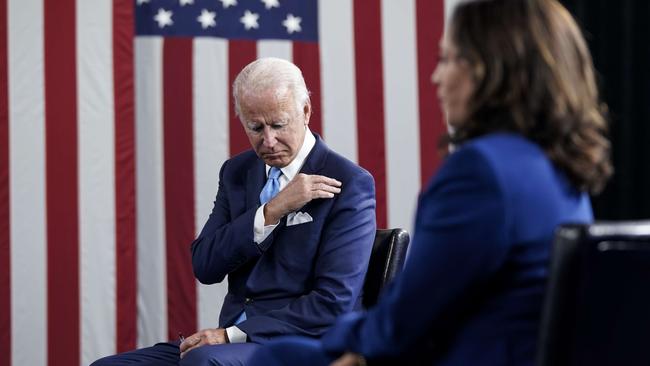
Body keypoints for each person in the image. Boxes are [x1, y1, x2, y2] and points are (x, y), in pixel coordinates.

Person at [248, 0, 612, 365]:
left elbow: (405, 320)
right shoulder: (560, 169)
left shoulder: (482, 171)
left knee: (276, 357)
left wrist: (348, 344)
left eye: (448, 59)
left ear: (489, 72)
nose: (437, 76)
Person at [91, 58, 377, 366]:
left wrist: (231, 334)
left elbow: (332, 304)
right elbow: (205, 265)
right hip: (225, 342)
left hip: (301, 345)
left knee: (204, 363)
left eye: (279, 124)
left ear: (306, 112)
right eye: (255, 127)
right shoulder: (236, 172)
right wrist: (270, 211)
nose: (268, 140)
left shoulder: (350, 182)